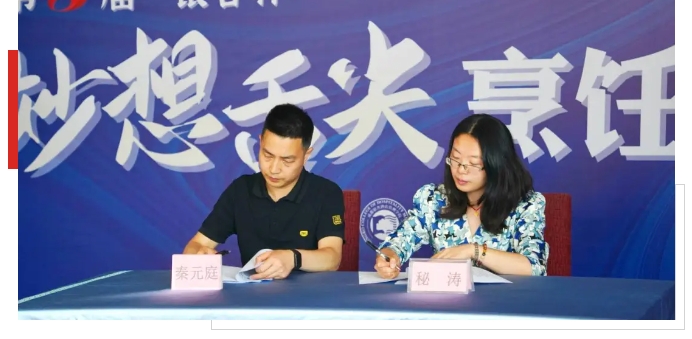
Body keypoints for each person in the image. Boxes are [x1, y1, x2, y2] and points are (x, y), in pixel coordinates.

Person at [374, 113, 549, 279]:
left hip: (504, 300)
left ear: (497, 164)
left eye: (473, 163)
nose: (460, 170)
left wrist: (474, 251)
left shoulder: (525, 205)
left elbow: (534, 267)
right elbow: (398, 242)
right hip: (449, 299)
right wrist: (389, 257)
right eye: (456, 159)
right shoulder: (434, 199)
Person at [183, 103, 345, 280]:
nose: (274, 169)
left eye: (287, 160)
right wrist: (198, 254)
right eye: (267, 155)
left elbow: (332, 258)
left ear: (306, 155)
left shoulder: (326, 192)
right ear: (260, 142)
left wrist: (292, 258)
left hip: (309, 295)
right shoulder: (240, 190)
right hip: (251, 293)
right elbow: (196, 244)